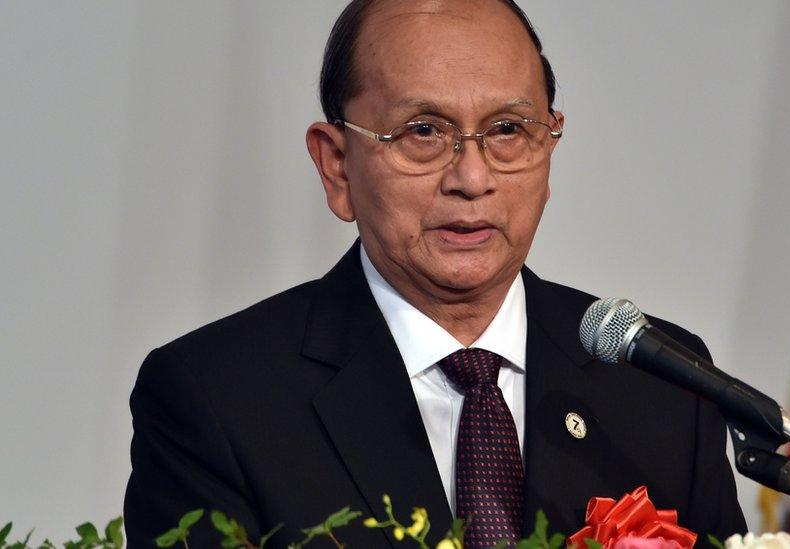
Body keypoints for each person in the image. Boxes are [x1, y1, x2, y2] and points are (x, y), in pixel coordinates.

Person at [123, 0, 747, 547]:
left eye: (508, 130)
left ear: (548, 148)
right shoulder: (217, 399)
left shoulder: (664, 388)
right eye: (423, 132)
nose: (472, 180)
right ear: (337, 166)